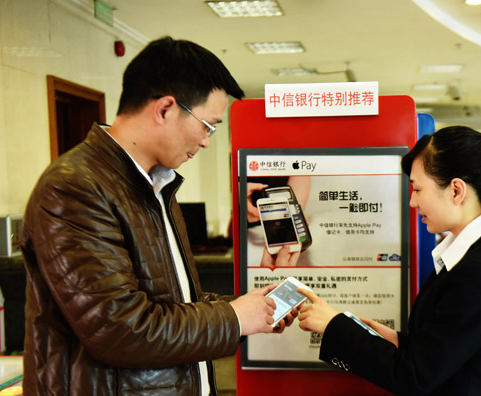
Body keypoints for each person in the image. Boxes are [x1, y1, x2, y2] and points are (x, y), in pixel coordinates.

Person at [21, 37, 294, 396]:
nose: (207, 142)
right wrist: (234, 318)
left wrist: (245, 310)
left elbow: (168, 305)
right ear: (165, 109)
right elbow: (121, 328)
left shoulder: (155, 186)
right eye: (208, 126)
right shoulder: (75, 187)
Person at [297, 126, 481, 395]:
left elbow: (414, 377)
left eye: (417, 189)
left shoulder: (477, 274)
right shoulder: (476, 254)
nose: (413, 202)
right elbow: (448, 348)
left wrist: (333, 325)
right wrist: (399, 343)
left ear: (456, 190)